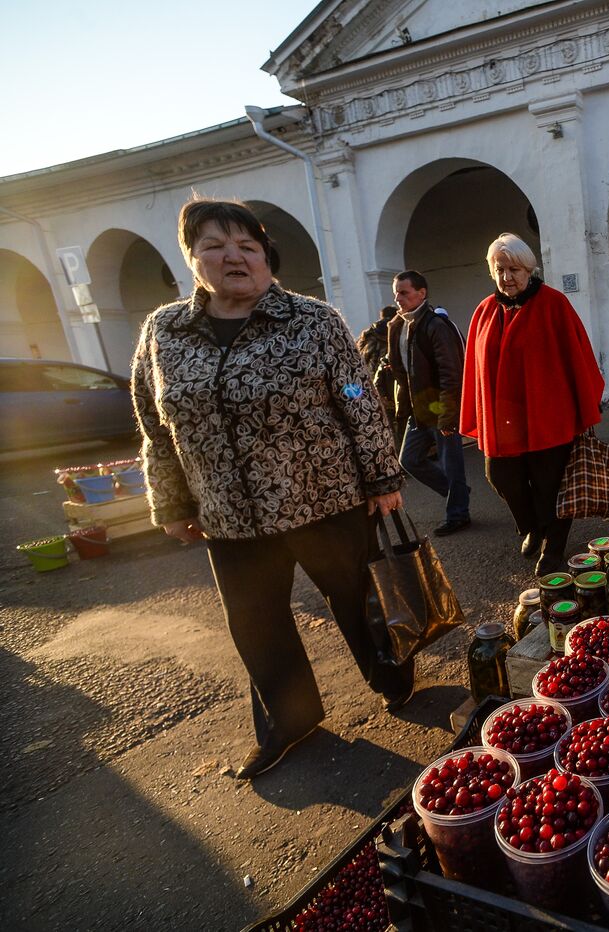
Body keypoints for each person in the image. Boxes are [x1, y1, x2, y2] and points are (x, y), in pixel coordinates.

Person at [131, 198, 412, 780]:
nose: (233, 257)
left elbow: (358, 397)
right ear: (192, 258)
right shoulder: (164, 332)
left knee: (359, 601)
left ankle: (392, 677)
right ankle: (291, 719)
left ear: (266, 256)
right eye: (214, 245)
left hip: (324, 499)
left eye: (247, 246)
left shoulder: (313, 321)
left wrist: (383, 475)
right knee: (256, 622)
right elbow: (154, 423)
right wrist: (171, 501)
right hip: (229, 515)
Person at [461, 233, 605, 575]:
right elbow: (474, 367)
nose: (507, 277)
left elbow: (578, 356)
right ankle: (531, 527)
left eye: (514, 269)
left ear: (529, 270)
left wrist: (584, 408)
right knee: (500, 476)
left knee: (551, 485)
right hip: (504, 422)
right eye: (500, 269)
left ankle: (553, 549)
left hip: (549, 417)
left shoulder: (554, 304)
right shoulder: (484, 311)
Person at [387, 270, 473, 537]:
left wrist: (448, 415)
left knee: (452, 462)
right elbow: (400, 370)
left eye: (404, 292)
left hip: (441, 408)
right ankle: (457, 493)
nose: (398, 298)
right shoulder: (397, 326)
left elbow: (451, 373)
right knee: (409, 460)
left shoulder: (435, 325)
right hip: (417, 408)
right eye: (396, 293)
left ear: (421, 293)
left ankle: (458, 514)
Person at [357, 305, 399, 428]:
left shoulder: (366, 335)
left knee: (384, 423)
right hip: (392, 383)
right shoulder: (396, 330)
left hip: (370, 384)